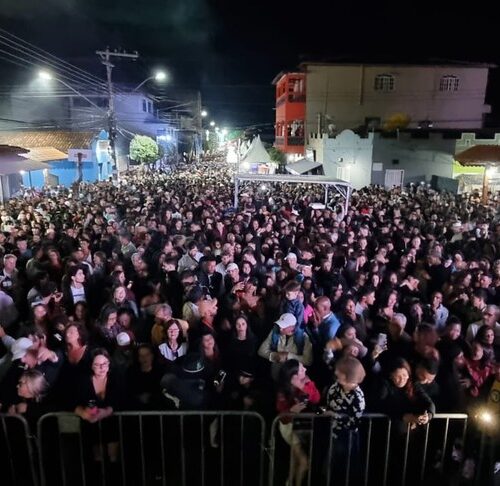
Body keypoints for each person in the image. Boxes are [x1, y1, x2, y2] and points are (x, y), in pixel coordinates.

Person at [74, 349, 125, 472]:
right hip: (92, 426)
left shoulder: (116, 379)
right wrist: (82, 412)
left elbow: (123, 400)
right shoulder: (83, 381)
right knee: (97, 461)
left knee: (114, 460)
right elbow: (72, 401)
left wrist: (107, 411)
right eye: (97, 365)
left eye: (105, 364)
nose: (101, 368)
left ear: (109, 364)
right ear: (91, 366)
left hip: (113, 425)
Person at [276, 359, 320, 486]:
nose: (305, 370)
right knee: (303, 462)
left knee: (295, 461)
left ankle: (290, 482)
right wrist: (291, 411)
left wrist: (302, 386)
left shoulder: (306, 382)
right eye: (301, 369)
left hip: (302, 426)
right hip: (289, 428)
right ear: (293, 376)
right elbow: (282, 416)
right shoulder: (283, 391)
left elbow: (316, 398)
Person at [258, 313, 312, 380]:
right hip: (276, 374)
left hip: (294, 378)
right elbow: (261, 351)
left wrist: (288, 356)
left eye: (283, 326)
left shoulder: (303, 337)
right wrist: (276, 355)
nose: (280, 329)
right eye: (280, 325)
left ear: (292, 327)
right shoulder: (275, 332)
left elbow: (308, 360)